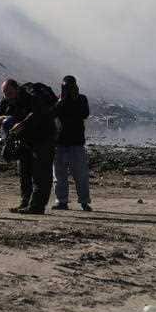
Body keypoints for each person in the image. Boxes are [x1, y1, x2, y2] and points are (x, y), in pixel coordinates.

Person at [0, 80, 57, 214]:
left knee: (41, 173)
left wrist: (22, 124)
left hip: (43, 137)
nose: (7, 96)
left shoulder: (32, 96)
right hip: (24, 139)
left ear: (17, 89)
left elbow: (37, 113)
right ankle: (25, 202)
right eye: (5, 93)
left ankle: (37, 206)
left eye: (10, 93)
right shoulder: (7, 99)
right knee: (24, 171)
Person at [51, 75, 91, 211]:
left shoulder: (81, 99)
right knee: (59, 175)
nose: (68, 90)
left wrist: (73, 99)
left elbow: (85, 113)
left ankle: (84, 201)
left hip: (76, 142)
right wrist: (61, 101)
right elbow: (53, 113)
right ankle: (62, 201)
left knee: (80, 175)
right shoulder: (59, 100)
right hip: (60, 142)